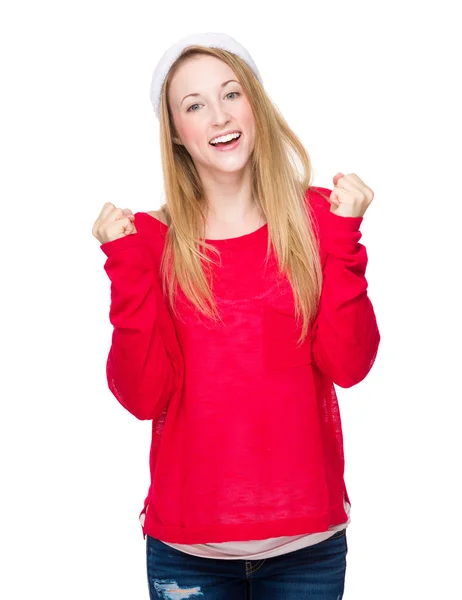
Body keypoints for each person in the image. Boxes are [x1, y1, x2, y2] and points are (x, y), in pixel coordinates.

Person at [93, 32, 380, 600]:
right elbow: (142, 396)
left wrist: (346, 239)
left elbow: (349, 363)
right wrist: (125, 266)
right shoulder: (152, 241)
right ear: (176, 132)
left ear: (255, 103)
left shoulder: (319, 218)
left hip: (308, 549)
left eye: (231, 94)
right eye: (194, 105)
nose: (219, 116)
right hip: (188, 554)